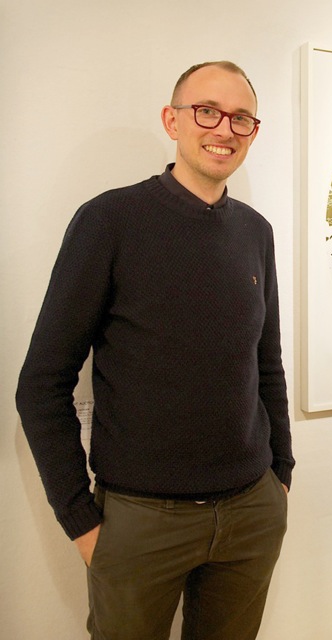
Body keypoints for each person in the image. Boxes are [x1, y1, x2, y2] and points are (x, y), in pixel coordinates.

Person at [16, 60, 294, 640]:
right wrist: (81, 521)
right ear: (173, 120)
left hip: (250, 512)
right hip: (141, 519)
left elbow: (266, 363)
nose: (224, 128)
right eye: (207, 111)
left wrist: (280, 477)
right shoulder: (110, 220)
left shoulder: (255, 233)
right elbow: (42, 383)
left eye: (241, 118)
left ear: (254, 132)